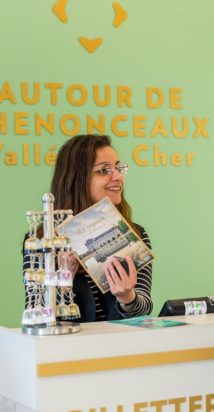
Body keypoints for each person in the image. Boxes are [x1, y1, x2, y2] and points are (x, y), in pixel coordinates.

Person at [23, 134, 153, 322]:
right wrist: (63, 283)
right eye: (104, 170)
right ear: (78, 178)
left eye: (117, 168)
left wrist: (128, 298)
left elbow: (143, 313)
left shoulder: (135, 233)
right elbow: (37, 314)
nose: (117, 177)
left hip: (122, 347)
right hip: (71, 349)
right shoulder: (44, 242)